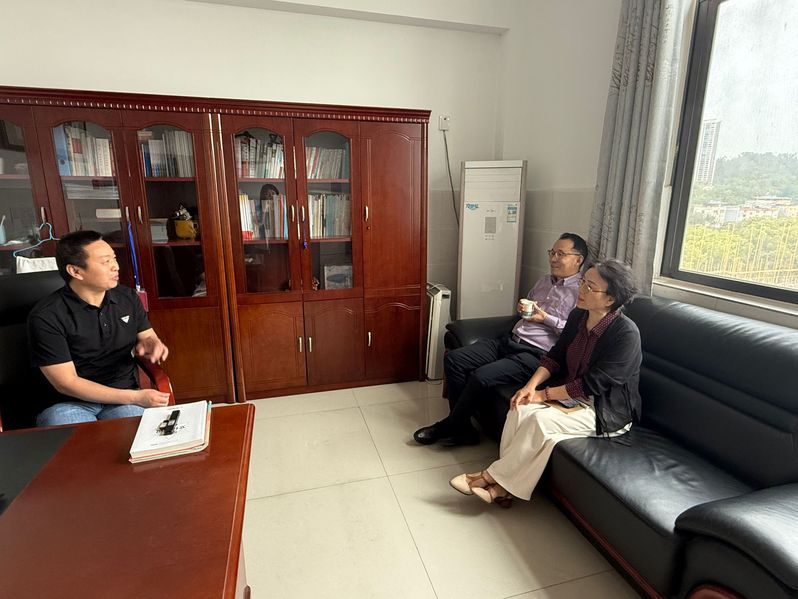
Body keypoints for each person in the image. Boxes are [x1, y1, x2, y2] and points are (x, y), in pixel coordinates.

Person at [449, 259, 641, 507]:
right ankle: (503, 489)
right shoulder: (578, 316)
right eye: (583, 282)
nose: (581, 289)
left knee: (539, 421)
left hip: (603, 409)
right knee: (519, 406)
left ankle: (488, 478)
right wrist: (530, 387)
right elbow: (555, 356)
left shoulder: (625, 334)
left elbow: (593, 384)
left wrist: (544, 395)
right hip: (572, 396)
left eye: (590, 287)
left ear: (610, 299)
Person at [413, 232, 588, 446]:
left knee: (480, 376)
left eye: (561, 254)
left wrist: (546, 318)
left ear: (578, 260)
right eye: (552, 253)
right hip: (510, 340)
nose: (553, 259)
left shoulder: (581, 293)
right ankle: (463, 428)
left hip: (536, 354)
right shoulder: (544, 281)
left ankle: (451, 425)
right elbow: (529, 305)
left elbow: (574, 334)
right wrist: (523, 308)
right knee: (454, 359)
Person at [28, 230, 171, 426]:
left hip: (121, 397)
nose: (115, 266)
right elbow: (66, 383)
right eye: (105, 261)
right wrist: (135, 397)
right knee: (81, 440)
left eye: (114, 258)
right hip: (68, 403)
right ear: (75, 271)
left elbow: (148, 336)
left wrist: (152, 343)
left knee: (141, 435)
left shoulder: (127, 298)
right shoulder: (47, 316)